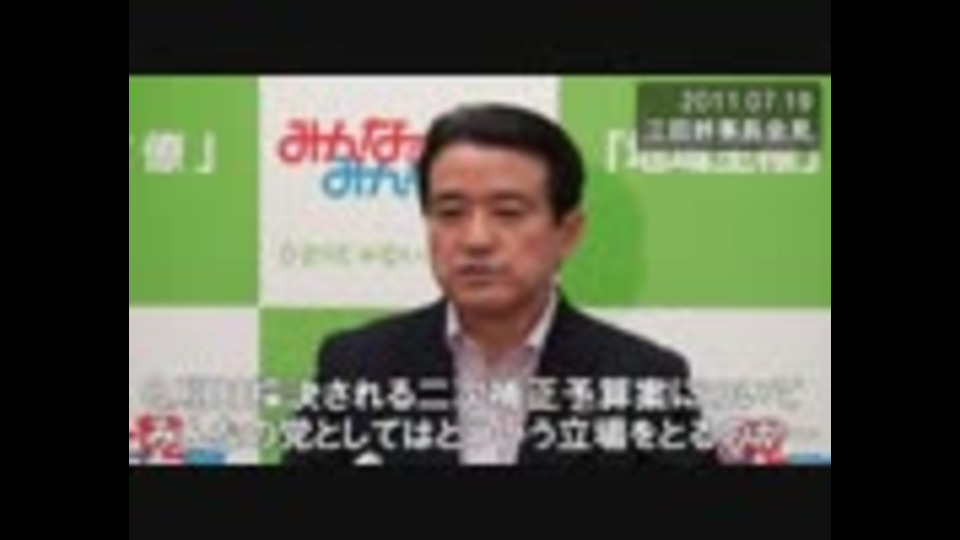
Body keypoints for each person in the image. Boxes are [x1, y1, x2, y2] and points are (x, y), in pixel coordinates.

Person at [283, 103, 716, 466]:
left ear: (567, 233)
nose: (476, 239)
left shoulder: (643, 379)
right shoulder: (358, 365)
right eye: (450, 213)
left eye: (508, 213)